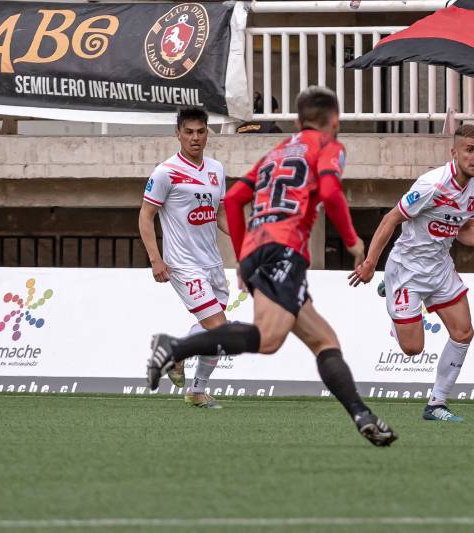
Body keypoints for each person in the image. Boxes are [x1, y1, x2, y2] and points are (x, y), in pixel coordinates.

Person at [146, 86, 397, 446]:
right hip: (284, 251)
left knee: (324, 340)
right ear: (335, 121)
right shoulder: (329, 147)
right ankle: (175, 347)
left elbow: (233, 201)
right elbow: (329, 192)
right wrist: (352, 240)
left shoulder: (276, 152)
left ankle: (362, 415)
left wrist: (244, 259)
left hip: (257, 250)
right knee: (267, 339)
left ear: (297, 121)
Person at [348, 123, 474, 423]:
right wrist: (369, 264)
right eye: (469, 150)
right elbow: (390, 219)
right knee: (413, 349)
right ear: (454, 152)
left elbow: (463, 229)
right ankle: (389, 288)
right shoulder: (432, 185)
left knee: (464, 332)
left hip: (440, 268)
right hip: (406, 269)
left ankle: (436, 404)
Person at [138, 106, 229, 409]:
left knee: (212, 331)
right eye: (188, 132)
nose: (195, 138)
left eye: (200, 132)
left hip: (212, 262)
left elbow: (220, 214)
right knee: (218, 326)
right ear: (177, 133)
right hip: (183, 264)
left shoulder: (216, 169)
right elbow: (146, 216)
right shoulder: (165, 172)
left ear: (207, 134)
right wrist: (155, 259)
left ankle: (197, 390)